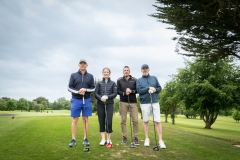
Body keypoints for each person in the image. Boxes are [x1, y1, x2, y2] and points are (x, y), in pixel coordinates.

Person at [136, 64, 166, 149]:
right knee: (145, 121)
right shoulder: (139, 80)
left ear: (149, 69)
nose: (145, 70)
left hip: (155, 102)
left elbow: (160, 88)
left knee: (157, 121)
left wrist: (155, 89)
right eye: (143, 69)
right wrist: (148, 88)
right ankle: (146, 139)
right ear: (141, 70)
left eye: (146, 68)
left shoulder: (154, 78)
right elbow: (139, 91)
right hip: (144, 103)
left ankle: (160, 140)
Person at [68, 59, 95, 147]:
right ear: (78, 65)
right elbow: (69, 88)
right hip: (76, 99)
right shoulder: (73, 75)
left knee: (85, 119)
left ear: (87, 65)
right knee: (75, 119)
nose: (82, 65)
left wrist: (86, 89)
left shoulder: (90, 76)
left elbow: (93, 88)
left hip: (86, 99)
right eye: (81, 63)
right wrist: (78, 91)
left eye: (84, 63)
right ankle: (73, 139)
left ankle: (85, 138)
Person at [95, 67, 117, 148]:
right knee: (101, 121)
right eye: (104, 72)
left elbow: (115, 93)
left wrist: (107, 97)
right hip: (100, 104)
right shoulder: (99, 83)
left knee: (109, 121)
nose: (106, 73)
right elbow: (96, 93)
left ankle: (108, 139)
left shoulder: (113, 83)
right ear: (102, 73)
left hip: (109, 104)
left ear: (109, 73)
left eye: (107, 72)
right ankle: (103, 139)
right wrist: (101, 98)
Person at [117, 66, 139, 145]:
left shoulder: (134, 80)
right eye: (125, 70)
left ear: (129, 71)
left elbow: (137, 90)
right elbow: (117, 91)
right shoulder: (119, 80)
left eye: (127, 70)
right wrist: (124, 93)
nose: (126, 71)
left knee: (135, 120)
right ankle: (124, 137)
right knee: (123, 120)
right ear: (123, 72)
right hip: (123, 102)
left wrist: (131, 91)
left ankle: (135, 137)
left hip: (133, 102)